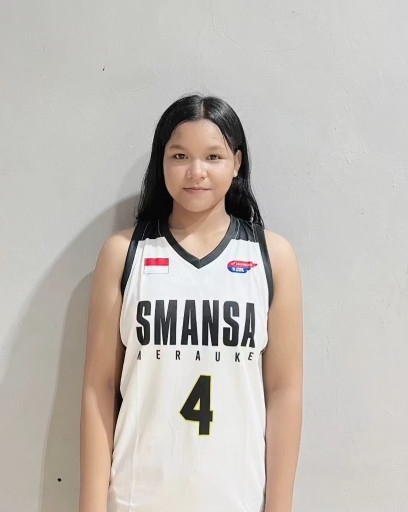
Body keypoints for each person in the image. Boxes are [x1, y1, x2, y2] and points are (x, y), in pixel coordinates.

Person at [79, 93, 303, 512]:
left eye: (213, 156)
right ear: (160, 162)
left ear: (236, 163)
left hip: (238, 499)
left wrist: (280, 506)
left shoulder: (272, 257)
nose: (196, 171)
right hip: (136, 498)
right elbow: (99, 387)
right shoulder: (124, 254)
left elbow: (284, 391)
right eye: (180, 155)